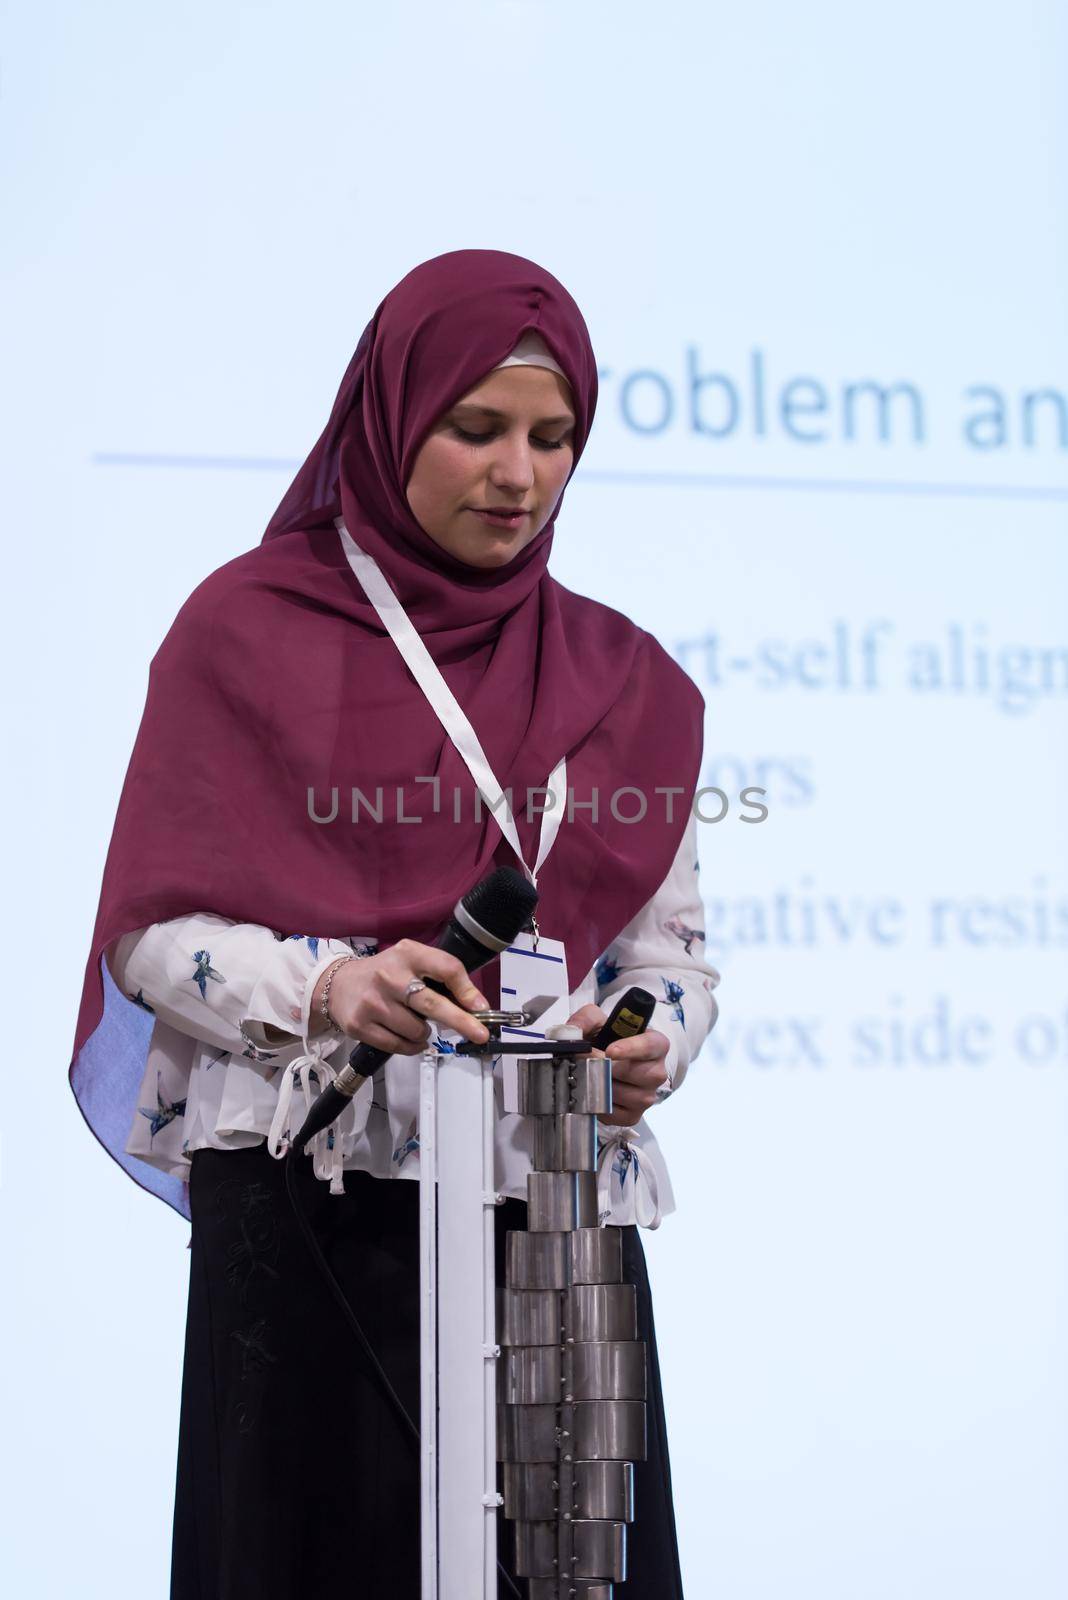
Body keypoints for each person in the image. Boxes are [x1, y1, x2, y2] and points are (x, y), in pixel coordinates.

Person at [68, 249, 721, 1598]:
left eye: (554, 438)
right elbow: (145, 934)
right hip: (317, 1206)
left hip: (551, 1206)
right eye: (476, 430)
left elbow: (669, 955)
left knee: (578, 1576)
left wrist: (649, 1037)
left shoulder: (623, 678)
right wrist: (330, 986)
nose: (519, 474)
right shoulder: (244, 629)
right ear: (388, 419)